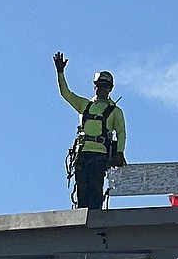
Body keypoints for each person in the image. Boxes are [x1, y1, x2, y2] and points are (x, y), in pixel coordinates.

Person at [54, 52, 127, 209]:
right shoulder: (85, 105)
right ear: (95, 86)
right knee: (82, 191)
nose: (102, 88)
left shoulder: (115, 111)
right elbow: (65, 93)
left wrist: (120, 152)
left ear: (111, 88)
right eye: (100, 85)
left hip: (100, 156)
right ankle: (83, 223)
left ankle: (95, 222)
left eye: (106, 86)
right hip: (82, 154)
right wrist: (60, 72)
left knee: (95, 189)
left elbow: (121, 133)